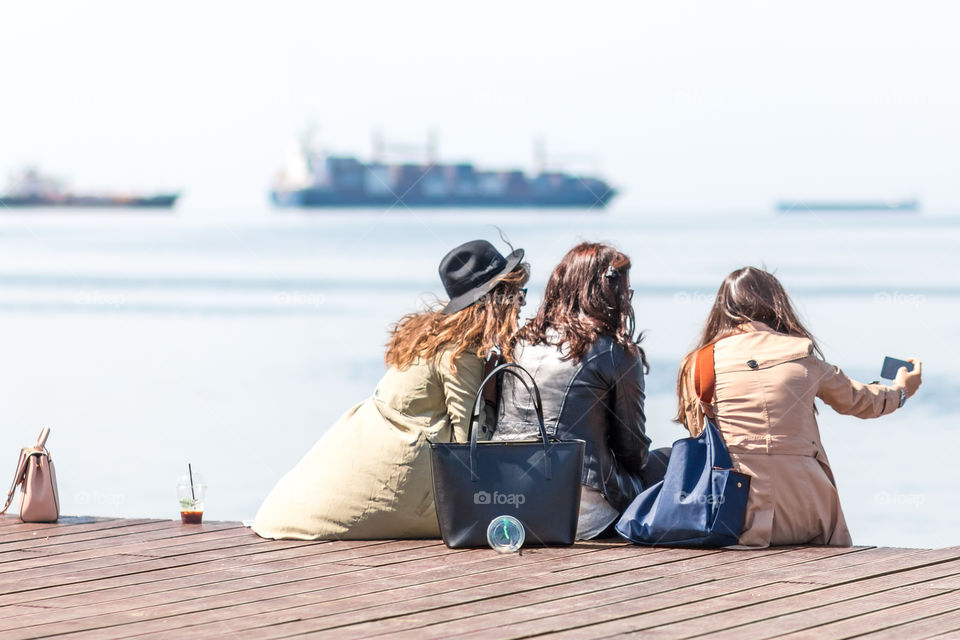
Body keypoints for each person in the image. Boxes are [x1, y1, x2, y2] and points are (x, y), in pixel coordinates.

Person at [253, 240, 529, 540]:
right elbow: (469, 449)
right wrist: (491, 399)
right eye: (518, 295)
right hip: (400, 484)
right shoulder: (460, 351)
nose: (522, 304)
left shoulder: (431, 335)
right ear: (497, 299)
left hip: (290, 509)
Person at [676, 266, 923, 548]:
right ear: (777, 304)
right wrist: (902, 391)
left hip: (732, 515)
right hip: (809, 513)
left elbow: (699, 433)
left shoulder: (699, 365)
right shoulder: (802, 357)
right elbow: (863, 401)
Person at [492, 242, 666, 540]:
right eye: (626, 291)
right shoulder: (615, 351)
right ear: (610, 293)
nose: (628, 299)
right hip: (579, 511)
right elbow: (633, 452)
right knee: (669, 461)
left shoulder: (518, 342)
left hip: (507, 501)